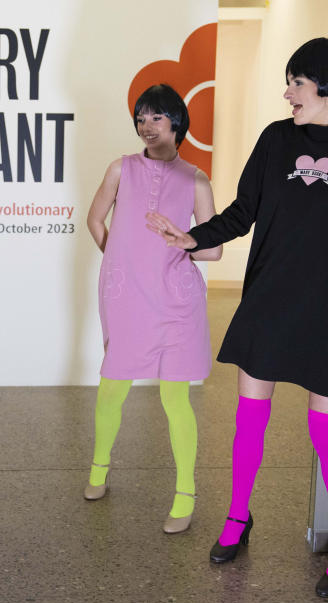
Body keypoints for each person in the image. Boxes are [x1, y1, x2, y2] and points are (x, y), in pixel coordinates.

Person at [147, 38, 328, 597]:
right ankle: (239, 517)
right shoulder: (276, 139)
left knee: (326, 431)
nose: (287, 91)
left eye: (298, 82)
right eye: (289, 81)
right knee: (249, 419)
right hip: (268, 297)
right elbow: (244, 211)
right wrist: (191, 237)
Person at [84, 85, 222, 535]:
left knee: (175, 396)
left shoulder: (197, 180)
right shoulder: (120, 169)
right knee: (112, 388)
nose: (147, 126)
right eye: (141, 118)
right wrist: (118, 263)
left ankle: (185, 494)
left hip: (177, 299)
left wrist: (184, 243)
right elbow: (95, 219)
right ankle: (99, 470)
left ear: (176, 122)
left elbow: (213, 251)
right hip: (126, 298)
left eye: (156, 117)